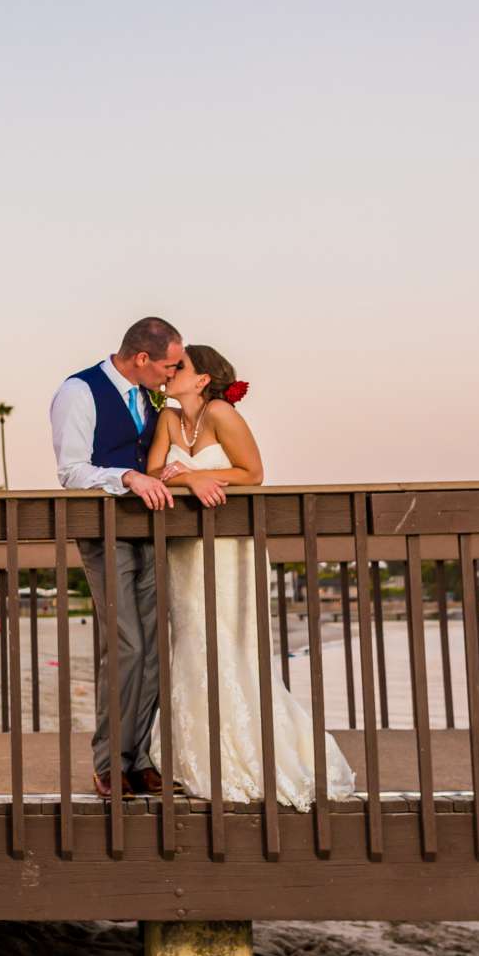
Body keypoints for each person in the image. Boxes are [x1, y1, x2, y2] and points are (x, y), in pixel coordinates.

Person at [147, 344, 354, 809]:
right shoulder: (168, 419)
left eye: (179, 367)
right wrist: (188, 478)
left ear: (202, 379)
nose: (168, 372)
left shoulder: (221, 412)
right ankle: (195, 753)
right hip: (185, 552)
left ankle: (250, 747)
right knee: (194, 640)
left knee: (233, 642)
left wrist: (200, 474)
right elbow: (154, 472)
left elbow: (253, 473)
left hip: (228, 548)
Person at [49, 315, 184, 798]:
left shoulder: (150, 396)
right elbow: (72, 471)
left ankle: (139, 758)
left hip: (152, 531)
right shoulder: (78, 392)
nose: (174, 374)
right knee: (125, 644)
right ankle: (108, 762)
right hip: (104, 533)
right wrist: (126, 478)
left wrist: (163, 472)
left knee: (152, 647)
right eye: (169, 366)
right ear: (142, 358)